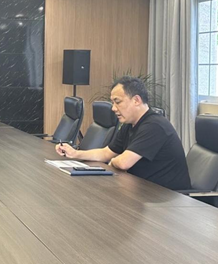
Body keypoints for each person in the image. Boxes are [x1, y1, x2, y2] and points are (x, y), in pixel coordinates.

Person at [55, 76, 190, 191]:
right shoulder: (130, 124)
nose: (113, 108)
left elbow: (124, 163)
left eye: (118, 102)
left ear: (136, 100)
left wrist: (113, 161)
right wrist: (75, 153)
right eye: (113, 103)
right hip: (143, 190)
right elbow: (106, 153)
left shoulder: (155, 125)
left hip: (166, 198)